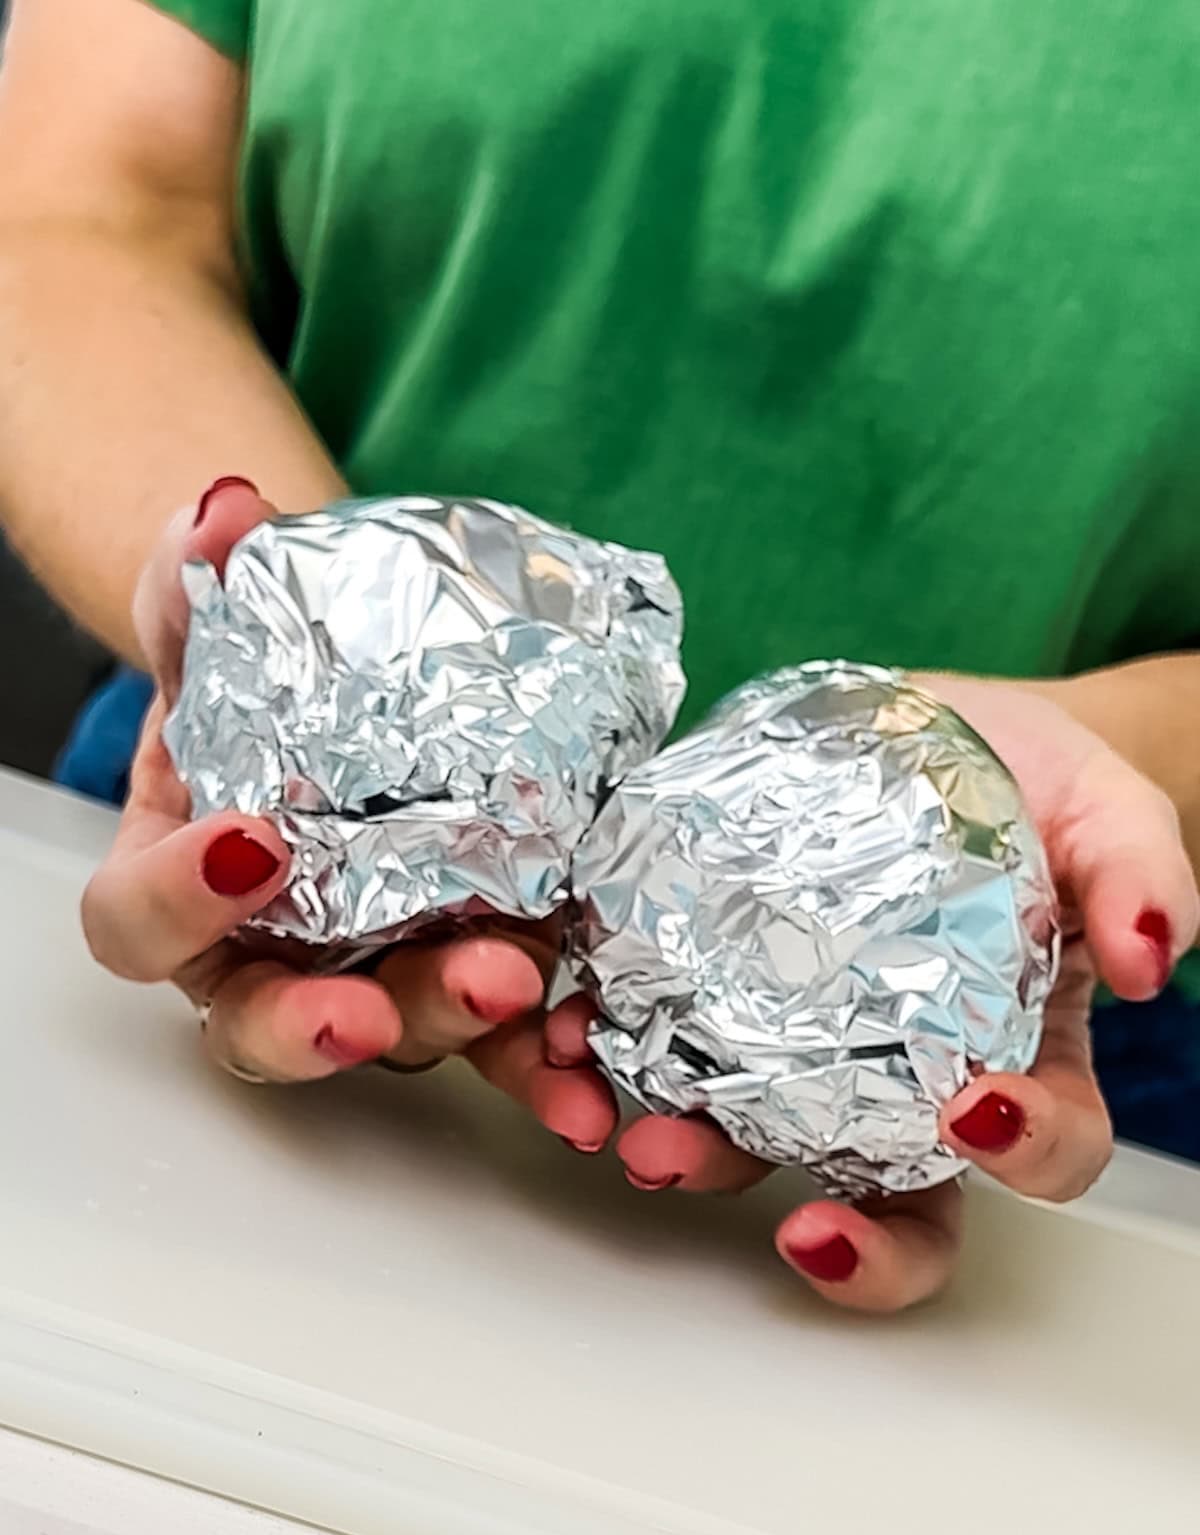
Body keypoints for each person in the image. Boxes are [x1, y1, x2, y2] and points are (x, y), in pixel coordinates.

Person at [1, 0, 1197, 1313]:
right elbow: (85, 218)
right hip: (230, 844)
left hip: (1044, 1018)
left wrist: (1099, 790)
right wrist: (315, 664)